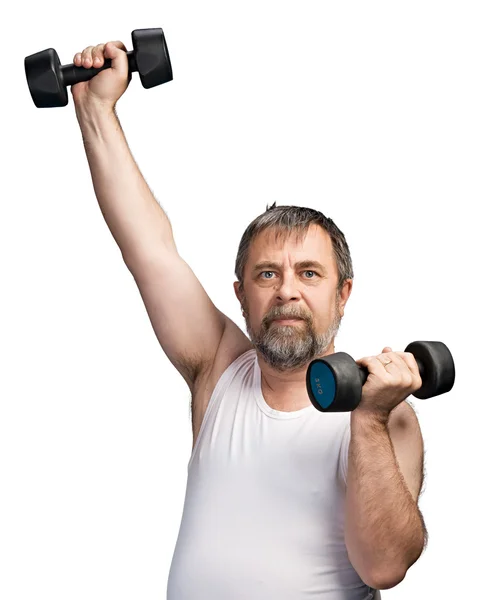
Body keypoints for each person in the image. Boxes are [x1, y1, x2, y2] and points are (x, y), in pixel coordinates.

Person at [71, 39, 428, 600]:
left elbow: (382, 566)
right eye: (267, 275)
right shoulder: (218, 370)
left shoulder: (385, 416)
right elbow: (149, 250)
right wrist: (95, 110)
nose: (286, 290)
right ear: (240, 294)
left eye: (309, 273)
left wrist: (368, 420)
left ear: (344, 293)